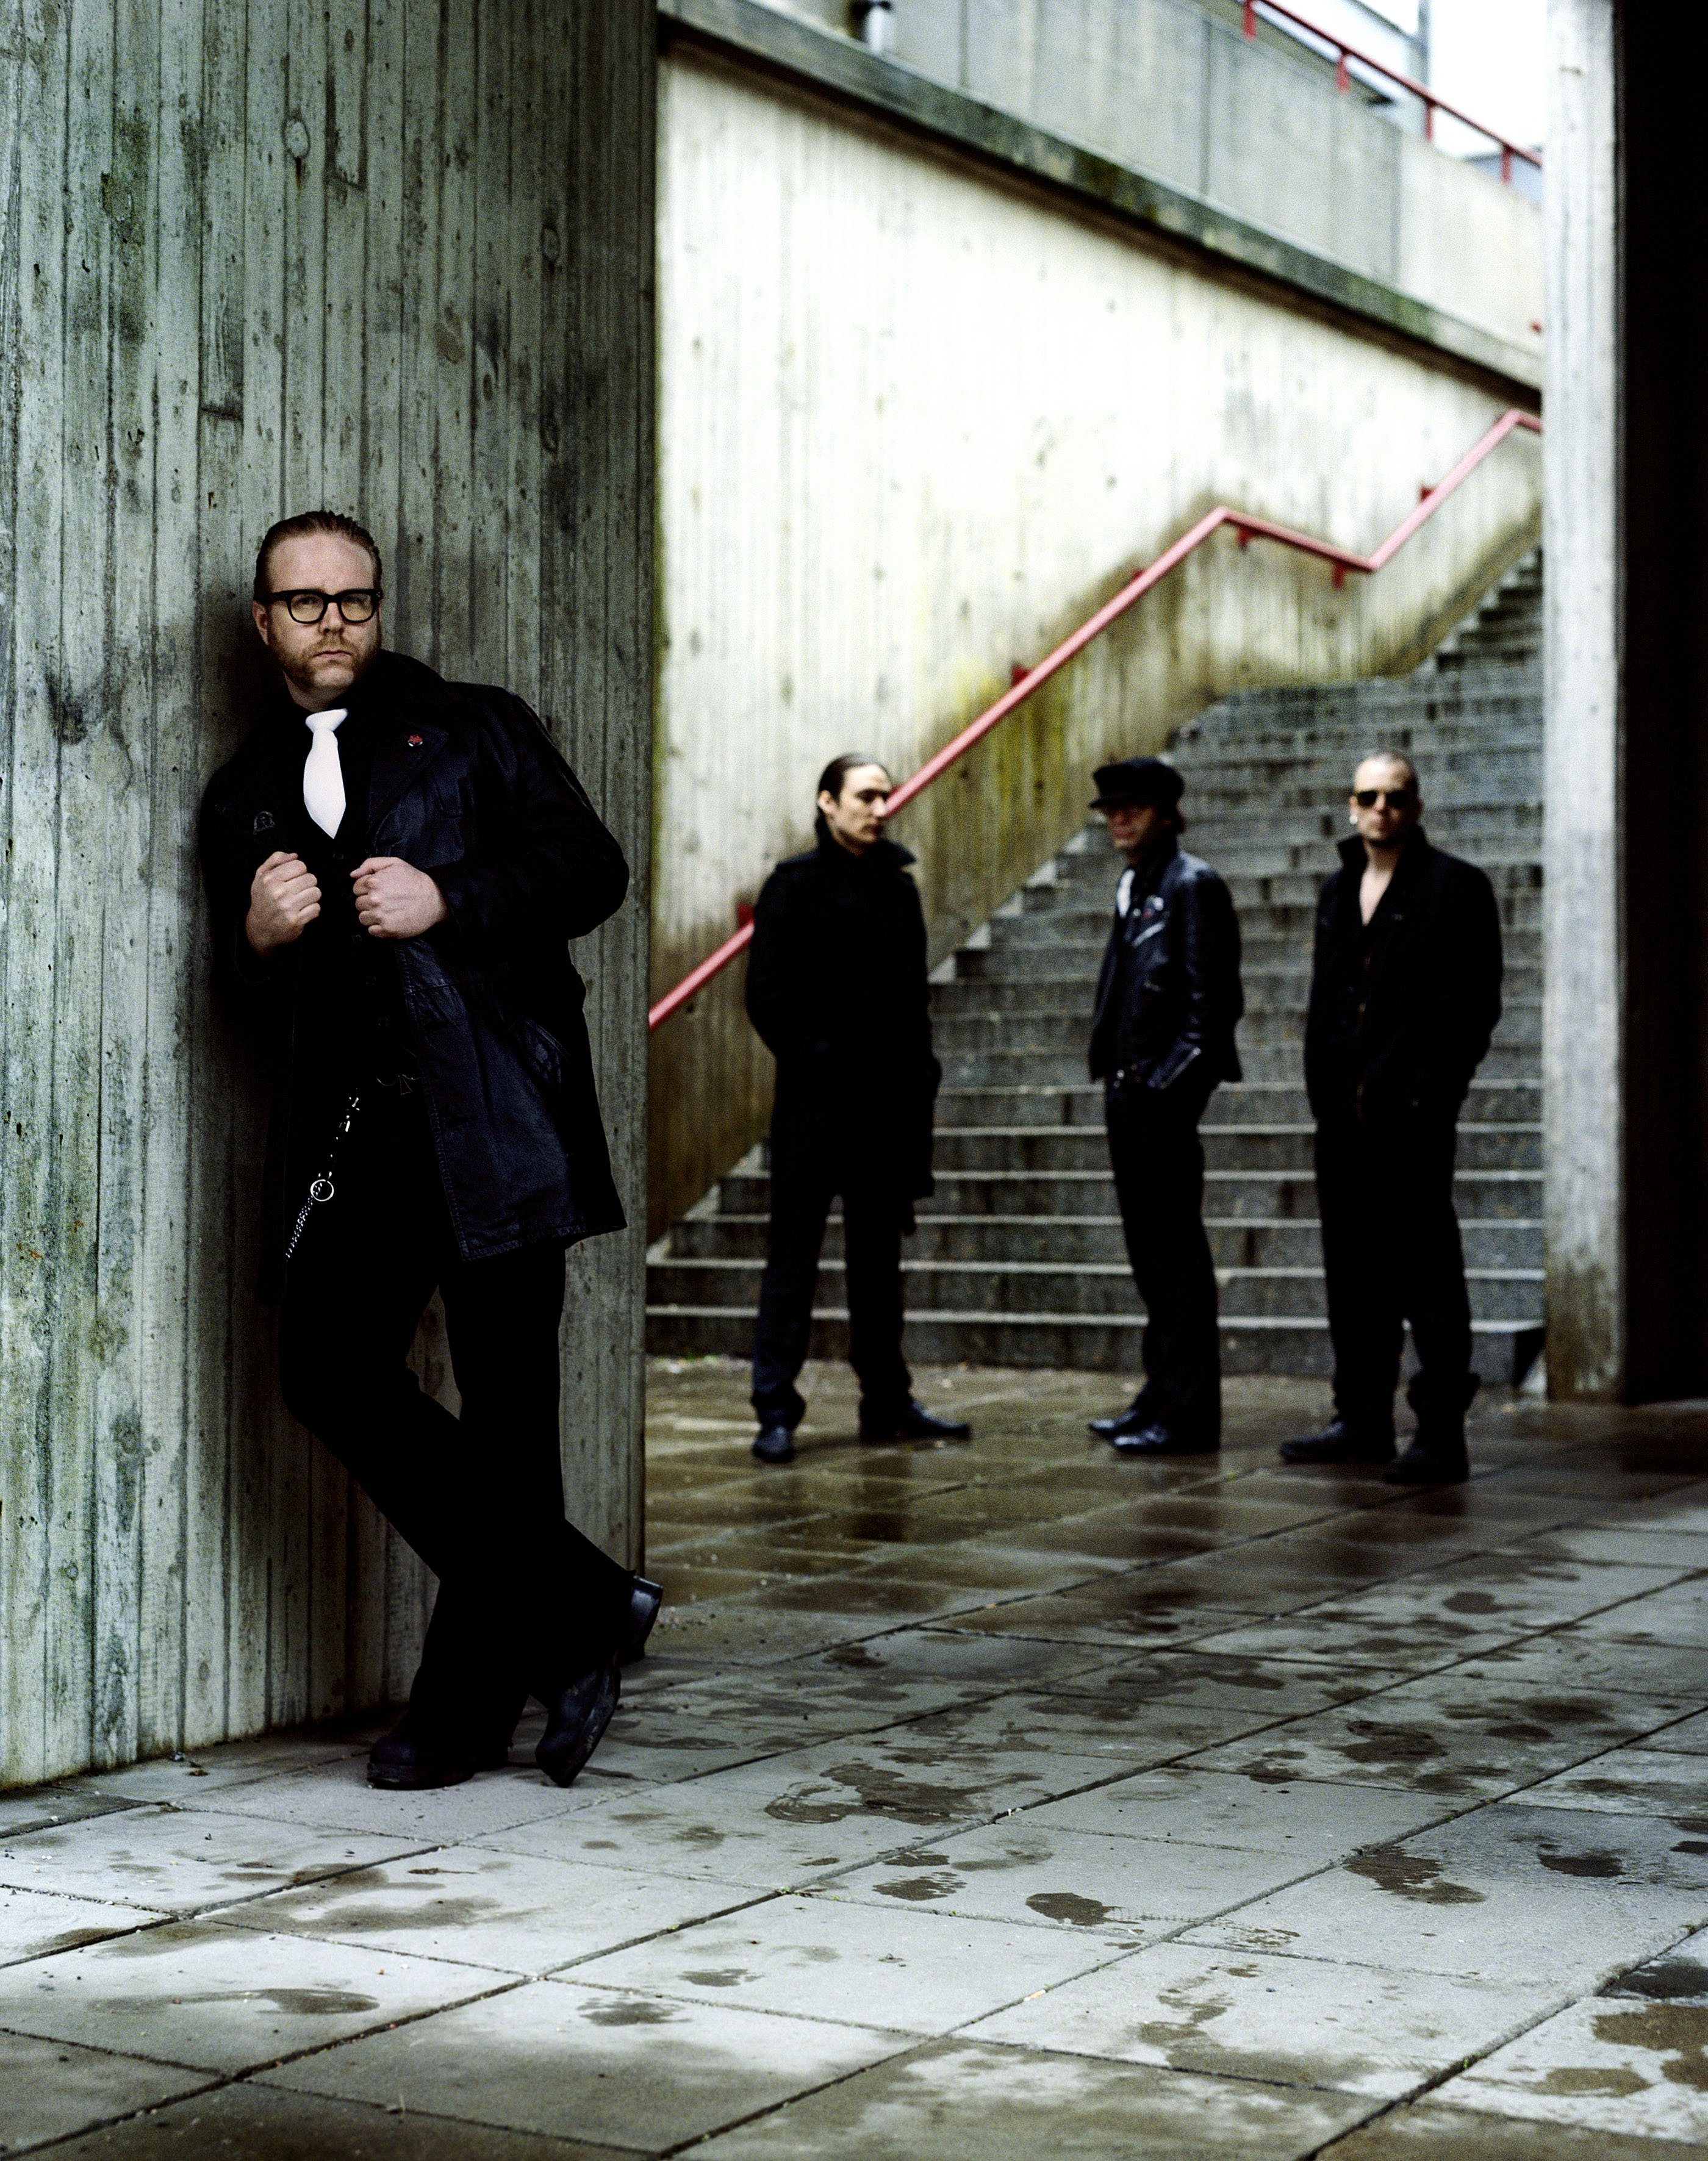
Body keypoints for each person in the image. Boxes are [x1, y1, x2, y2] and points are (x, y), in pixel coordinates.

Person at [198, 509, 659, 1792]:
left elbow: (591, 868)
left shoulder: (474, 726)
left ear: (378, 608)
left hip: (498, 1113)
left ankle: (465, 1713)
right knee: (325, 1369)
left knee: (510, 1411)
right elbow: (242, 1008)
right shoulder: (243, 793)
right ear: (264, 621)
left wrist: (450, 895)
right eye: (305, 602)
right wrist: (257, 938)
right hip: (364, 1131)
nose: (333, 621)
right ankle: (582, 1606)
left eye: (354, 598)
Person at [1282, 751, 1502, 1485]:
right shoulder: (1336, 890)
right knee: (1352, 1271)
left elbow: (1474, 1005)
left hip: (1410, 1119)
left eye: (1396, 798)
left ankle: (1440, 1432)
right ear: (1351, 806)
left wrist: (1429, 1096)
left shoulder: (1453, 887)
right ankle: (1361, 1419)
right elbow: (1326, 1004)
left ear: (1416, 807)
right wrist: (1324, 1095)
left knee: (1427, 1271)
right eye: (1369, 797)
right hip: (1342, 1121)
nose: (1382, 809)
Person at [744, 754, 971, 1464]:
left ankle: (887, 1400)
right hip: (812, 1111)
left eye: (884, 797)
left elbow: (912, 1006)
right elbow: (765, 996)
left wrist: (915, 1096)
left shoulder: (897, 888)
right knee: (793, 1262)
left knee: (878, 1265)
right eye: (865, 796)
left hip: (883, 1114)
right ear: (827, 802)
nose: (879, 808)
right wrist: (819, 1060)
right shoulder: (791, 886)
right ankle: (775, 1409)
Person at [1085, 758, 1243, 1456]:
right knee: (1152, 1260)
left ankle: (1188, 1415)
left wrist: (1162, 1090)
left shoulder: (1191, 885)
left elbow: (1212, 1013)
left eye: (1134, 808)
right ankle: (1160, 1395)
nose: (1119, 819)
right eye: (1111, 810)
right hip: (1129, 1094)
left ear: (1168, 814)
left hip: (1158, 1100)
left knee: (1176, 1260)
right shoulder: (1137, 886)